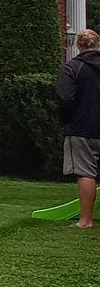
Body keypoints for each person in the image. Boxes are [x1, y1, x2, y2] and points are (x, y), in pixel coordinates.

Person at [58, 28, 100, 229]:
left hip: (81, 128)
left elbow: (66, 99)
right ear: (98, 44)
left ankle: (85, 221)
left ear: (79, 46)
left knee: (86, 173)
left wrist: (66, 122)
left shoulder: (71, 68)